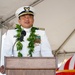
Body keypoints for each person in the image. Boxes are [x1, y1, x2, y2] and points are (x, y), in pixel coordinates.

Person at [0, 6, 54, 74]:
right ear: (19, 21)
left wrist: (51, 65)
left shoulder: (40, 33)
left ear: (33, 20)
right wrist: (3, 65)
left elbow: (46, 52)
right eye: (24, 17)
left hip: (36, 71)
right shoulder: (11, 33)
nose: (27, 19)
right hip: (16, 71)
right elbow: (6, 52)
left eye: (29, 17)